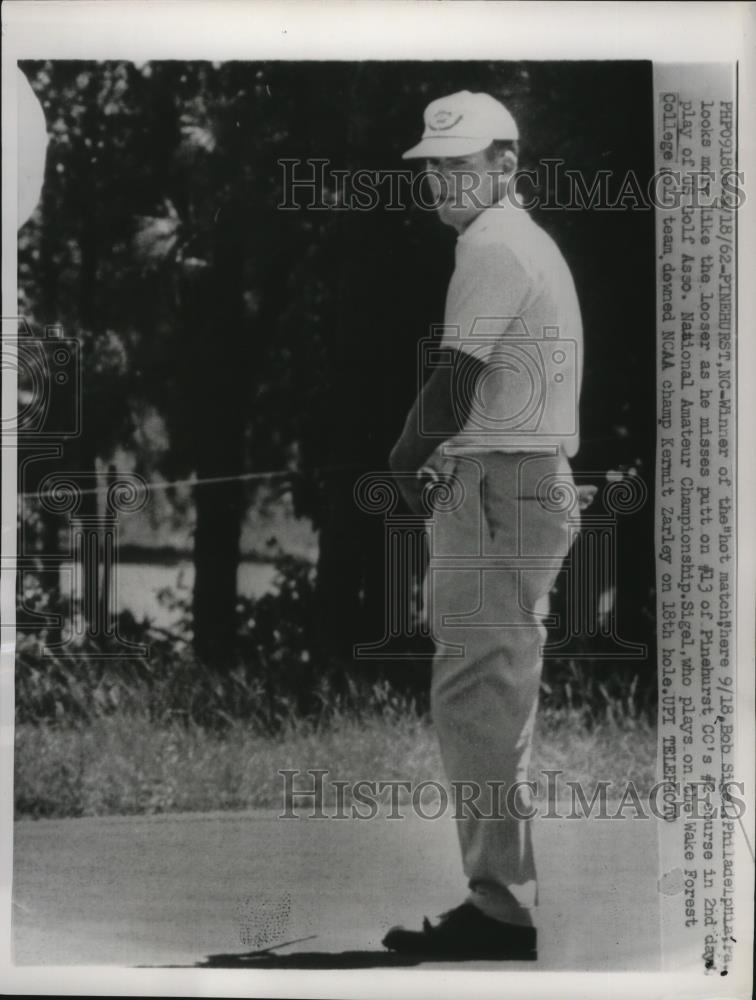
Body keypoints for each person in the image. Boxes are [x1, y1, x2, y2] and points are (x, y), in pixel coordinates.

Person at [384, 90, 583, 960]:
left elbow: (457, 382)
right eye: (432, 169)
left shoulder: (493, 243)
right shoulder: (519, 239)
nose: (442, 183)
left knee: (477, 693)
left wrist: (400, 459)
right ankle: (502, 897)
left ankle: (499, 910)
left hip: (502, 491)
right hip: (511, 483)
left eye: (459, 167)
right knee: (491, 690)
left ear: (505, 165)